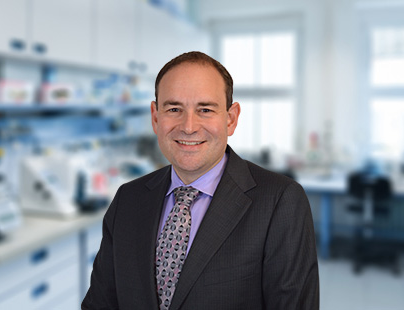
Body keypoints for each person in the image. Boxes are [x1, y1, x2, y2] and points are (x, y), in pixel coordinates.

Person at [82, 51, 319, 310]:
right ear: (155, 117)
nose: (189, 126)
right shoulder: (128, 199)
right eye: (174, 109)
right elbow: (100, 304)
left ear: (231, 119)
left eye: (205, 110)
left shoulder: (280, 202)